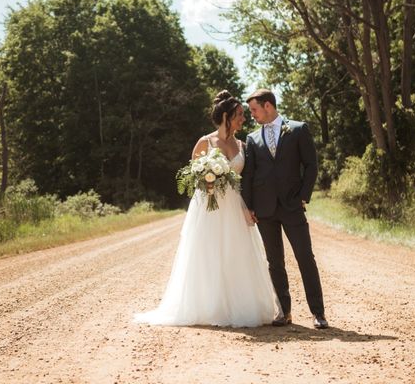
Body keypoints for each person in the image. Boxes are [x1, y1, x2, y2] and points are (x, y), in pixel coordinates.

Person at [134, 90, 280, 327]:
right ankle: (208, 305)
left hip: (234, 206)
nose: (244, 119)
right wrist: (209, 180)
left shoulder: (243, 145)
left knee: (236, 254)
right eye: (240, 115)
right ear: (226, 116)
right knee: (208, 254)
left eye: (244, 114)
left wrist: (247, 207)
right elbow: (192, 176)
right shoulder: (206, 142)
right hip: (208, 208)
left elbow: (248, 181)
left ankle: (239, 305)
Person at [242, 88, 328, 329]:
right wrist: (249, 206)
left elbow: (311, 165)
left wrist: (304, 196)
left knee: (305, 258)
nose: (253, 115)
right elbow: (249, 175)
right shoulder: (252, 138)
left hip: (292, 205)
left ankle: (318, 313)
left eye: (255, 110)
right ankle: (284, 312)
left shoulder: (298, 129)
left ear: (268, 105)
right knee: (275, 262)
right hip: (265, 209)